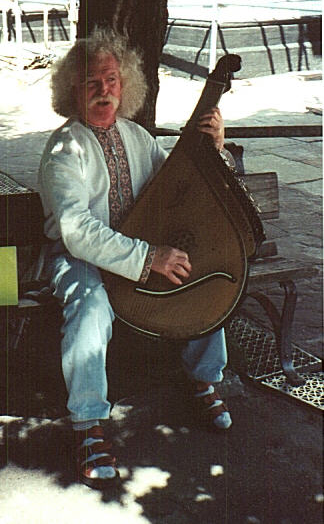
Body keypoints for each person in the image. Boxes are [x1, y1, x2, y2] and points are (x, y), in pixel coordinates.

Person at [38, 27, 232, 490]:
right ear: (73, 91)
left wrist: (215, 145)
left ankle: (203, 379)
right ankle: (88, 426)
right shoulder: (66, 148)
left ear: (124, 86)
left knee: (205, 273)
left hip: (140, 253)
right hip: (77, 257)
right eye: (91, 83)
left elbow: (182, 183)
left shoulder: (137, 137)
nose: (103, 91)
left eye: (111, 81)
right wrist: (147, 259)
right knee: (90, 305)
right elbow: (75, 230)